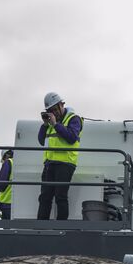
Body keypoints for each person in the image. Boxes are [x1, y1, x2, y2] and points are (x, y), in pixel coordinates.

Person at [38, 91, 82, 220]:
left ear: (62, 105)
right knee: (45, 197)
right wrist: (45, 125)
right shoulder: (51, 124)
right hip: (49, 163)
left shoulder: (74, 119)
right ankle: (41, 226)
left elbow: (72, 138)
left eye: (55, 109)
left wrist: (56, 125)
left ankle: (61, 226)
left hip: (65, 163)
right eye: (50, 110)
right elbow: (41, 141)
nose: (54, 112)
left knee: (60, 196)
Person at [0, 149, 14, 219]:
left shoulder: (8, 162)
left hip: (7, 204)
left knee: (7, 228)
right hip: (19, 204)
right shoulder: (19, 163)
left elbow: (1, 185)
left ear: (6, 155)